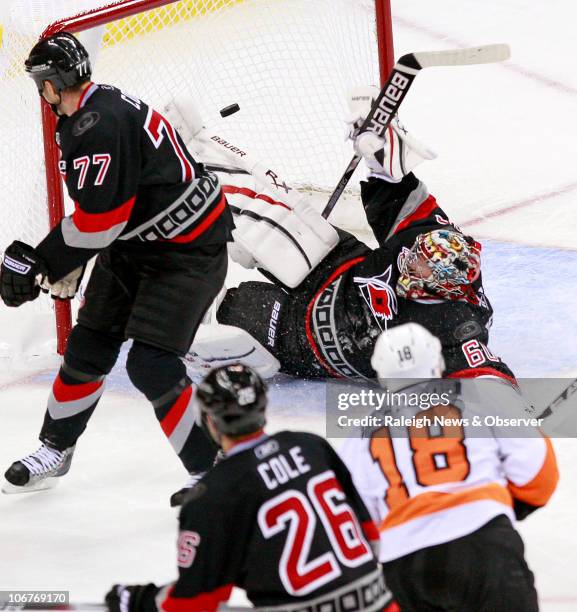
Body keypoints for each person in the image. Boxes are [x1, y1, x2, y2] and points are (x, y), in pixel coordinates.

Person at [0, 32, 234, 501]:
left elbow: (103, 221)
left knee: (152, 364)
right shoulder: (90, 112)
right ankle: (55, 448)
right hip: (136, 247)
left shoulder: (96, 124)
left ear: (50, 83)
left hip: (187, 254)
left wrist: (45, 259)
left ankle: (215, 471)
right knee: (88, 347)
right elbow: (107, 212)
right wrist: (72, 256)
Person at [180, 87, 515, 383]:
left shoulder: (456, 323)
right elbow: (401, 194)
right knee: (265, 206)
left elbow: (485, 374)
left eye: (421, 267)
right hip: (335, 267)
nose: (410, 261)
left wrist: (501, 404)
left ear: (440, 285)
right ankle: (182, 152)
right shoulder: (434, 240)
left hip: (311, 338)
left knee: (211, 321)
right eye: (416, 253)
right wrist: (381, 149)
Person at [105, 363, 395, 612]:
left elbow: (195, 604)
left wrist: (142, 600)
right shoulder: (311, 445)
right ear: (263, 408)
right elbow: (371, 535)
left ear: (209, 420)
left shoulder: (211, 495)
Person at [338, 322, 559, 611]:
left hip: (405, 566)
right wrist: (511, 505)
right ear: (438, 360)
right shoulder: (480, 395)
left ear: (381, 374)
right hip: (484, 544)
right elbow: (538, 471)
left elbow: (355, 520)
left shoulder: (360, 434)